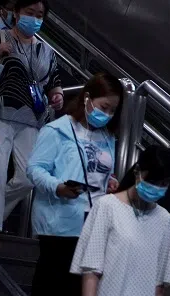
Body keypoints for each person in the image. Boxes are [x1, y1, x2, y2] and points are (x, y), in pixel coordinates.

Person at [0, 0, 64, 255]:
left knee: (28, 177)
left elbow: (53, 82)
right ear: (16, 13)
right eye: (30, 13)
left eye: (40, 16)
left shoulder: (45, 51)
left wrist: (57, 95)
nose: (35, 19)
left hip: (32, 119)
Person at [26, 72, 123, 296]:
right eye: (104, 106)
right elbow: (34, 169)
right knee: (53, 284)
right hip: (59, 224)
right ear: (87, 98)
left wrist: (110, 181)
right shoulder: (57, 130)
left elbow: (97, 171)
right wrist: (58, 186)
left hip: (93, 223)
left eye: (112, 110)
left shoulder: (107, 137)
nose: (107, 114)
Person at [70, 145, 170, 296]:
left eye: (164, 183)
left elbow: (158, 283)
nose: (157, 187)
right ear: (137, 171)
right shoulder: (107, 206)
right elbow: (91, 270)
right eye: (152, 181)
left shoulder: (164, 219)